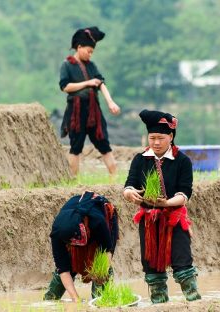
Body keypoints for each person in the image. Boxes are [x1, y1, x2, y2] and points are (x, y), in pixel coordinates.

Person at [123, 109, 201, 304]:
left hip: (174, 219)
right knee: (151, 268)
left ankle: (195, 303)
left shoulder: (182, 161)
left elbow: (185, 194)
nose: (156, 143)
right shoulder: (140, 159)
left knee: (182, 264)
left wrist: (166, 203)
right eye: (152, 138)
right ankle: (159, 305)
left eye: (160, 138)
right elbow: (129, 184)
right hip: (149, 220)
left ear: (171, 136)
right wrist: (129, 193)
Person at [59, 26, 120, 177]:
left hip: (93, 110)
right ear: (79, 47)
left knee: (103, 143)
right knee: (76, 146)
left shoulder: (91, 66)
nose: (90, 54)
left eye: (92, 52)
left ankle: (115, 178)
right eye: (88, 51)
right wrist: (87, 83)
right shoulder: (67, 65)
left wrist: (110, 102)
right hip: (76, 111)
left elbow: (101, 83)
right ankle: (74, 181)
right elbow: (65, 87)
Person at [43, 191, 119, 301]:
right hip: (73, 226)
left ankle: (101, 298)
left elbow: (107, 250)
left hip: (100, 218)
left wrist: (102, 272)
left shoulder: (97, 221)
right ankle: (50, 298)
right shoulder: (57, 234)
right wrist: (76, 299)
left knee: (99, 268)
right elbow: (63, 269)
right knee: (69, 261)